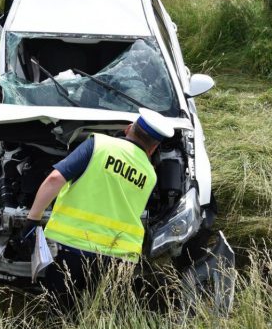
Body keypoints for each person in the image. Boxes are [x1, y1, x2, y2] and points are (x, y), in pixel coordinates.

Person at [21, 108, 174, 308]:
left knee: (61, 313)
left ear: (128, 129)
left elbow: (55, 179)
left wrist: (32, 220)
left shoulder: (99, 145)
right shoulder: (150, 175)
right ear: (153, 149)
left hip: (72, 248)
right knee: (97, 315)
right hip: (119, 257)